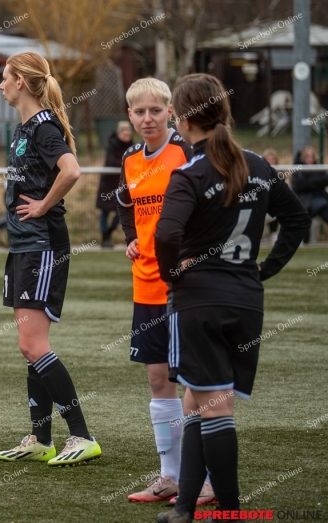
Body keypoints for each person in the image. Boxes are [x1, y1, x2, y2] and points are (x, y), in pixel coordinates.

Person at [156, 74, 310, 523]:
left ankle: (230, 513)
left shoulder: (189, 172)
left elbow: (167, 233)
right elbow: (297, 221)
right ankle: (185, 507)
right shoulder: (259, 164)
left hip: (200, 300)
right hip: (246, 300)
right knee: (196, 401)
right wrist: (263, 270)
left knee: (212, 403)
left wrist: (172, 276)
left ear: (183, 120)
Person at [0, 51, 101, 467]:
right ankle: (41, 438)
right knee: (29, 347)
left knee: (32, 343)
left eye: (5, 77)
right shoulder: (23, 127)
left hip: (42, 245)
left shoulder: (42, 126)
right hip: (24, 246)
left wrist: (42, 206)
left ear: (21, 81)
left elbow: (71, 170)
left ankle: (82, 435)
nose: (1, 84)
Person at [115, 79, 207, 504]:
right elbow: (125, 203)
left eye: (155, 110)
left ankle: (203, 479)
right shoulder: (130, 158)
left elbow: (209, 205)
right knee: (157, 379)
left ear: (172, 112)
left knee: (194, 383)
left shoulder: (186, 153)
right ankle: (169, 476)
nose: (147, 118)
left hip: (184, 285)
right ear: (130, 116)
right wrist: (131, 235)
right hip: (145, 283)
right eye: (139, 112)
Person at [97, 121, 133, 248]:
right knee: (105, 211)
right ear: (119, 133)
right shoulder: (111, 145)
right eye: (124, 134)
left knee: (120, 212)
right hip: (108, 183)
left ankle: (108, 233)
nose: (126, 136)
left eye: (128, 134)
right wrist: (126, 163)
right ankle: (104, 238)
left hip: (122, 184)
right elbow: (112, 161)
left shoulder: (132, 146)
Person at [292, 145, 328, 242]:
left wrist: (308, 182)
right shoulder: (297, 169)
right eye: (307, 156)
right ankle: (304, 241)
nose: (310, 158)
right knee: (304, 214)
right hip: (303, 201)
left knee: (323, 206)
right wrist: (316, 182)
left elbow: (325, 180)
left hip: (320, 199)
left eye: (312, 156)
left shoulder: (319, 168)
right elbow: (299, 185)